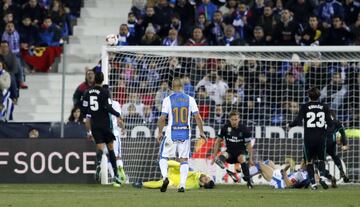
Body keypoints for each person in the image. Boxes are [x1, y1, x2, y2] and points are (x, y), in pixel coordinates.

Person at [157, 77, 207, 193]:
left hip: (171, 132)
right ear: (182, 87)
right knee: (184, 159)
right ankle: (182, 185)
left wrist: (160, 132)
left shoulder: (167, 99)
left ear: (172, 88)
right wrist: (202, 132)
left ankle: (165, 178)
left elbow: (163, 118)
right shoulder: (190, 99)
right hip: (185, 132)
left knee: (163, 156)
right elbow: (197, 117)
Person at [82, 71, 123, 187]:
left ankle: (98, 164)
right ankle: (116, 176)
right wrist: (118, 115)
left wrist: (90, 118)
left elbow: (84, 110)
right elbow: (109, 108)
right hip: (105, 124)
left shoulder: (87, 92)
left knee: (100, 148)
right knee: (111, 149)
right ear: (103, 79)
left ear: (95, 79)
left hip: (95, 125)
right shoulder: (105, 92)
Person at [288, 87, 334, 190]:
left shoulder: (304, 107)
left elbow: (298, 121)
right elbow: (330, 123)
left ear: (309, 96)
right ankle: (321, 177)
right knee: (321, 160)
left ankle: (313, 184)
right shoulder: (325, 107)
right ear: (319, 96)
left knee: (309, 162)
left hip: (309, 139)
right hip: (321, 138)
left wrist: (290, 125)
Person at [211, 110, 254, 189]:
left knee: (242, 158)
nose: (234, 121)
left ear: (239, 119)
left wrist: (250, 159)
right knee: (223, 154)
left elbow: (249, 145)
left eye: (236, 119)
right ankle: (221, 163)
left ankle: (249, 181)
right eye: (233, 120)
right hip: (230, 153)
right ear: (229, 119)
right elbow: (217, 142)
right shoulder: (225, 128)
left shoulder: (245, 129)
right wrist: (214, 156)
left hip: (241, 152)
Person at [136, 160, 214, 190]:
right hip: (176, 172)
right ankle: (162, 163)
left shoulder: (193, 185)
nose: (206, 177)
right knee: (180, 165)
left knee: (162, 184)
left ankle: (141, 184)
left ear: (203, 184)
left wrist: (171, 187)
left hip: (172, 181)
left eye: (206, 179)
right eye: (208, 177)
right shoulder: (199, 175)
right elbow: (193, 172)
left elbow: (179, 187)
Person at [324, 112, 350, 186]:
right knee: (335, 157)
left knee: (317, 162)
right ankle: (342, 171)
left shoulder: (320, 122)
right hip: (332, 143)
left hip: (322, 143)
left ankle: (330, 177)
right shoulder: (336, 122)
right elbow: (343, 133)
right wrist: (344, 144)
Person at [110, 98, 126, 183]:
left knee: (109, 156)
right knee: (117, 156)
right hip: (115, 133)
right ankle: (120, 168)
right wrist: (123, 128)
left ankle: (114, 176)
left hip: (104, 133)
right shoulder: (115, 104)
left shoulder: (100, 103)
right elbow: (119, 119)